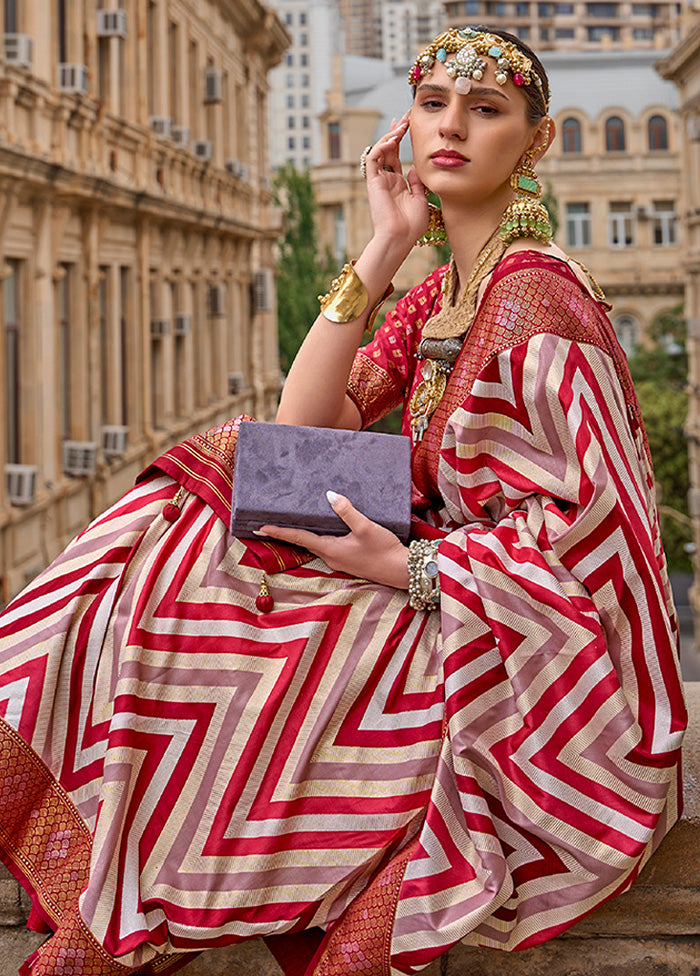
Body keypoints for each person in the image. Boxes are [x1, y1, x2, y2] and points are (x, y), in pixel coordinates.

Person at [0, 25, 686, 976]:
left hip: (528, 641)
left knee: (230, 597)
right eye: (433, 103)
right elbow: (306, 425)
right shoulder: (445, 294)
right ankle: (134, 887)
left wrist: (409, 564)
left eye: (484, 110)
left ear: (535, 142)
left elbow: (602, 533)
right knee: (218, 490)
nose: (449, 127)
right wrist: (385, 243)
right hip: (451, 588)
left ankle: (139, 914)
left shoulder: (542, 304)